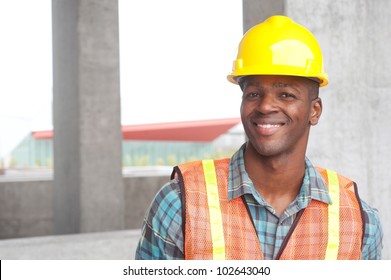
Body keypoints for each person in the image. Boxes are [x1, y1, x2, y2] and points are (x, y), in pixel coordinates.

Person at [135, 15, 383, 260]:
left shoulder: (358, 220)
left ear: (314, 110)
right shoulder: (180, 203)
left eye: (286, 94)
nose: (265, 106)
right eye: (254, 94)